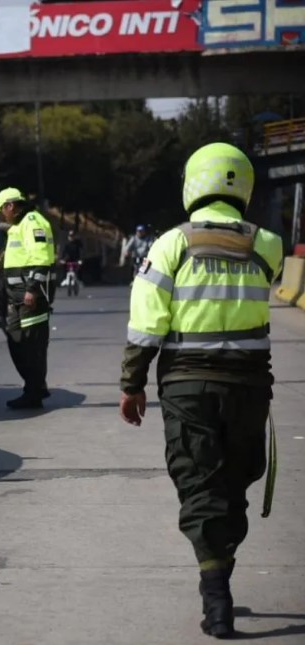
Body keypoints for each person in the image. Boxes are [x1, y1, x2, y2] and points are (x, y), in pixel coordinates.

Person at [119, 142, 283, 639]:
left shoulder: (170, 244)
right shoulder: (268, 245)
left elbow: (147, 322)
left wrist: (132, 383)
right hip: (248, 387)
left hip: (188, 386)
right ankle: (220, 580)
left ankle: (216, 598)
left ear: (193, 183)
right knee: (232, 483)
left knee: (200, 484)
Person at [0, 187, 55, 409]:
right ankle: (36, 385)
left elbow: (41, 258)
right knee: (16, 339)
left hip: (31, 297)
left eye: (2, 209)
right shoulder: (19, 224)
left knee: (32, 345)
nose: (2, 213)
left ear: (10, 206)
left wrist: (33, 288)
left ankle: (34, 392)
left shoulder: (33, 222)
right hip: (17, 296)